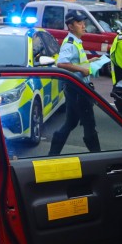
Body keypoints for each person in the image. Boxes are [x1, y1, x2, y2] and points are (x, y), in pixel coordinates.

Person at [49, 12, 103, 155]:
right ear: (71, 26)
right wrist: (81, 69)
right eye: (79, 23)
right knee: (89, 124)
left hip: (77, 88)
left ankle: (52, 155)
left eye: (83, 22)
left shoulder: (76, 41)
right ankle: (98, 156)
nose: (84, 25)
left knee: (71, 122)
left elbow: (75, 62)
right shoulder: (70, 43)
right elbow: (61, 63)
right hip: (77, 90)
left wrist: (90, 62)